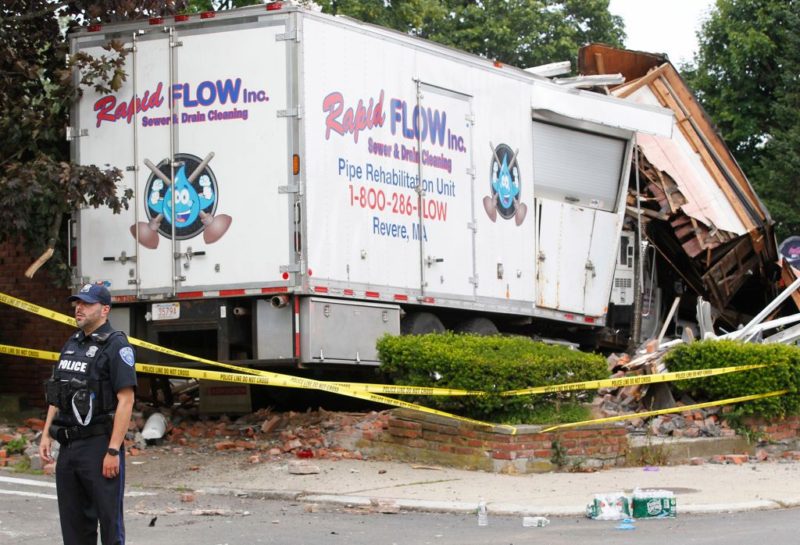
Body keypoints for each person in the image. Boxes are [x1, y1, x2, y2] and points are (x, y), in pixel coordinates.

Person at [39, 283, 136, 545]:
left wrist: (113, 450)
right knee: (74, 527)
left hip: (98, 445)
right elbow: (57, 394)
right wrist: (47, 434)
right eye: (77, 303)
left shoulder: (116, 345)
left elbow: (126, 400)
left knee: (109, 524)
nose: (78, 308)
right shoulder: (72, 343)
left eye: (86, 304)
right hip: (69, 446)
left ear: (104, 309)